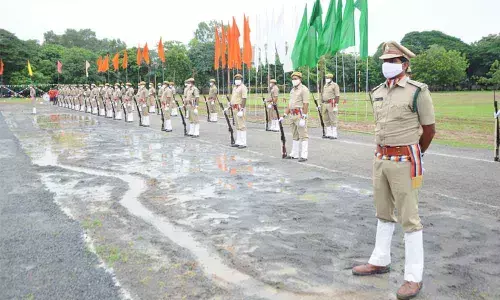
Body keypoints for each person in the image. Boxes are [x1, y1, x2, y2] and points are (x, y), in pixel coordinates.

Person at [351, 41, 436, 300]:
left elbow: (429, 130)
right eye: (385, 61)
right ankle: (380, 259)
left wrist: (413, 154)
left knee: (409, 218)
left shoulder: (416, 91)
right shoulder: (377, 92)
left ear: (405, 64)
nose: (387, 65)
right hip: (380, 159)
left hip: (404, 162)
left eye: (393, 61)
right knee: (383, 213)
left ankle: (413, 277)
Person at [281, 72, 309, 162]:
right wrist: (284, 114)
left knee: (303, 135)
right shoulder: (292, 90)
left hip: (299, 114)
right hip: (292, 114)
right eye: (293, 79)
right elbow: (290, 104)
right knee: (294, 135)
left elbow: (306, 103)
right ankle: (295, 154)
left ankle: (304, 155)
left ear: (300, 79)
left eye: (296, 78)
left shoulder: (304, 89)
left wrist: (304, 117)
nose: (294, 80)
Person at [228, 74, 248, 148]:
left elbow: (244, 98)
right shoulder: (234, 88)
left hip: (240, 108)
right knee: (237, 125)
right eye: (236, 78)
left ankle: (243, 142)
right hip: (234, 108)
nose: (237, 80)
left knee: (242, 125)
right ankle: (238, 141)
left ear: (241, 80)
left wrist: (242, 109)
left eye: (238, 78)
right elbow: (233, 97)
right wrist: (230, 103)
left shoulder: (243, 87)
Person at [321, 73, 341, 139]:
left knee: (333, 118)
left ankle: (334, 134)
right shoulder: (325, 85)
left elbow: (337, 95)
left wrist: (336, 105)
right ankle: (328, 133)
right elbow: (323, 94)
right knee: (326, 118)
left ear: (331, 78)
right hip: (325, 103)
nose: (326, 79)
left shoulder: (335, 85)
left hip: (331, 103)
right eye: (326, 78)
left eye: (328, 78)